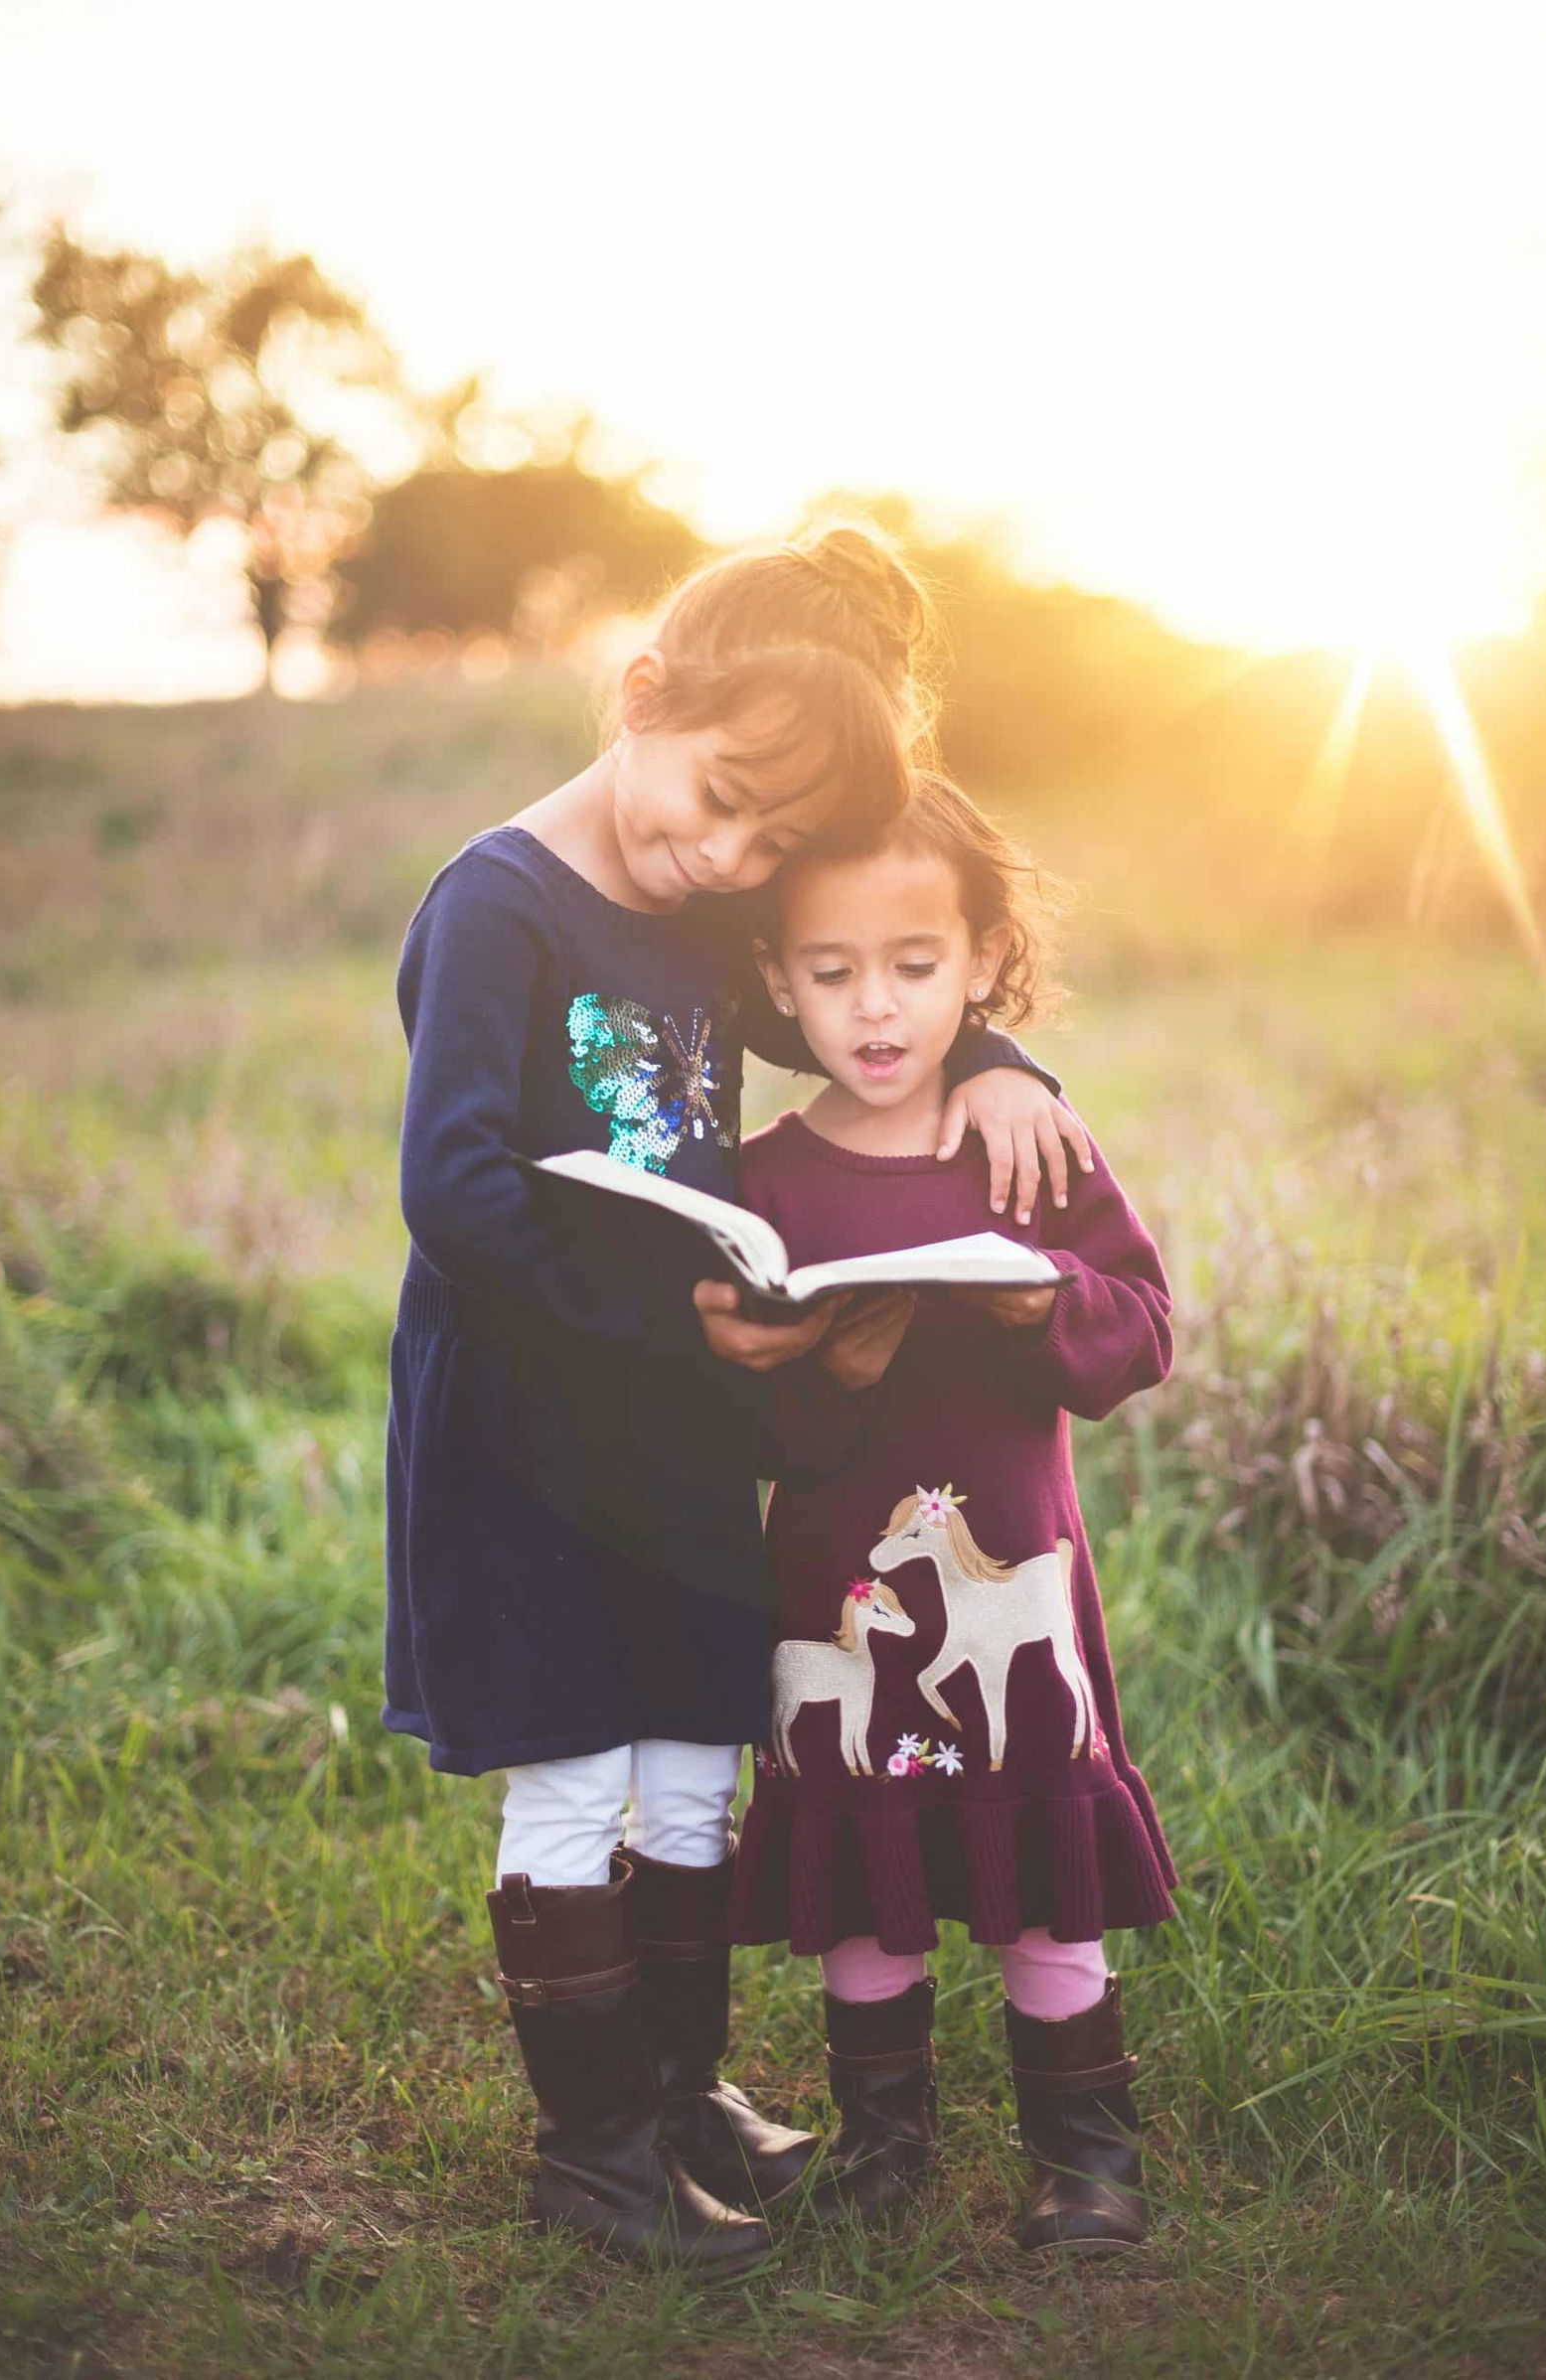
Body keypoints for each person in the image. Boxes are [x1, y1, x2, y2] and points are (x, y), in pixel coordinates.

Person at [384, 524, 1091, 2274]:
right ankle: (595, 2154)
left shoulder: (706, 913)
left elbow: (853, 1010)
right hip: (530, 1420)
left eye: (771, 844)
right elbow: (455, 1186)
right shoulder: (498, 901)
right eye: (719, 804)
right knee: (571, 1772)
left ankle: (683, 2097)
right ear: (641, 699)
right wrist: (666, 1313)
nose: (729, 857)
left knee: (699, 1760)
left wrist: (995, 1054)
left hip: (684, 1422)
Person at [726, 772, 1177, 2257]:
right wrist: (821, 1369)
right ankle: (883, 2142)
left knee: (1044, 1873)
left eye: (915, 968)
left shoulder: (1028, 1143)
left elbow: (1140, 1331)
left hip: (1014, 1574)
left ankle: (1085, 2154)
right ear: (778, 981)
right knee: (863, 1868)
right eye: (831, 971)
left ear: (981, 964)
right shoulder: (765, 1185)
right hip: (838, 1588)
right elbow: (738, 1420)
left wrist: (1039, 1296)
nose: (874, 1007)